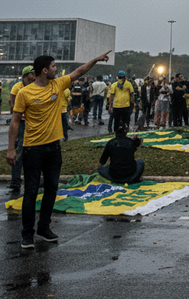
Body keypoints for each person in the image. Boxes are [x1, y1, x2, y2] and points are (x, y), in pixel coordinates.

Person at [6, 50, 111, 249]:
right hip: (32, 149)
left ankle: (44, 228)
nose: (57, 69)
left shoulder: (58, 84)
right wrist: (11, 149)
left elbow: (79, 71)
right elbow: (14, 122)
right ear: (44, 70)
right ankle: (27, 234)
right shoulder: (24, 93)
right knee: (30, 192)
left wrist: (95, 60)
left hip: (53, 148)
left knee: (52, 189)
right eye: (54, 66)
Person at [8, 66, 36, 190]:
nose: (33, 78)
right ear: (24, 77)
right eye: (31, 75)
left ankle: (34, 179)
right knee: (19, 151)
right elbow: (11, 102)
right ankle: (15, 180)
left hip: (33, 123)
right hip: (21, 123)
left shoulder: (36, 87)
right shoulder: (17, 87)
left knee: (34, 152)